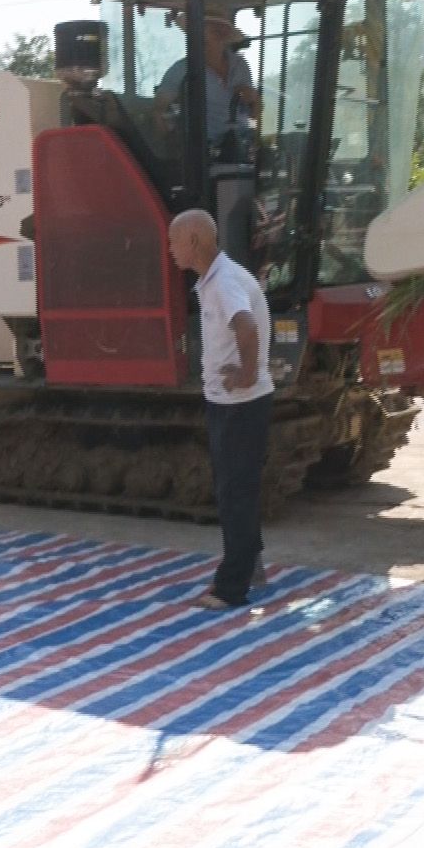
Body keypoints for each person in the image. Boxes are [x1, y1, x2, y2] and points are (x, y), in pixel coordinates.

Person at [167, 208, 274, 611]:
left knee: (235, 495)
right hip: (230, 402)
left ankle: (231, 588)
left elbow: (246, 326)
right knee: (237, 490)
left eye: (173, 240)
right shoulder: (215, 279)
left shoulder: (223, 281)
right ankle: (252, 567)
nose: (170, 249)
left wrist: (247, 374)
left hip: (240, 405)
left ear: (194, 241)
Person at [156, 14, 264, 160]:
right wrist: (175, 150)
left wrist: (254, 99)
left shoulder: (239, 64)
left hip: (242, 144)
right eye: (194, 38)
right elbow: (158, 111)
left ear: (223, 37)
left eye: (204, 39)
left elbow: (253, 112)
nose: (196, 43)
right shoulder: (181, 70)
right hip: (203, 153)